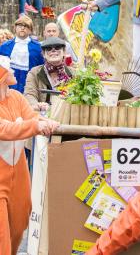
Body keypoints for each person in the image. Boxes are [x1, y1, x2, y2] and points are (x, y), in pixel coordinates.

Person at [0, 55, 59, 255]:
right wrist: (36, 125)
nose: (13, 71)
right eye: (7, 71)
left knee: (19, 224)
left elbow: (31, 116)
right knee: (1, 238)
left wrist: (44, 120)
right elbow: (6, 129)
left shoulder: (16, 97)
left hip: (19, 176)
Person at [24, 37, 75, 112]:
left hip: (66, 116)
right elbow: (29, 94)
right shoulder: (34, 72)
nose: (53, 51)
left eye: (57, 47)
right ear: (44, 54)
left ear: (64, 52)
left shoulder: (74, 74)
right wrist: (37, 105)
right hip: (42, 117)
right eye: (48, 48)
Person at [0, 16, 44, 93]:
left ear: (30, 30)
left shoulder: (38, 47)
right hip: (9, 82)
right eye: (20, 25)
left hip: (29, 82)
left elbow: (41, 67)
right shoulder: (5, 46)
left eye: (26, 26)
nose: (22, 28)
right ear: (15, 28)